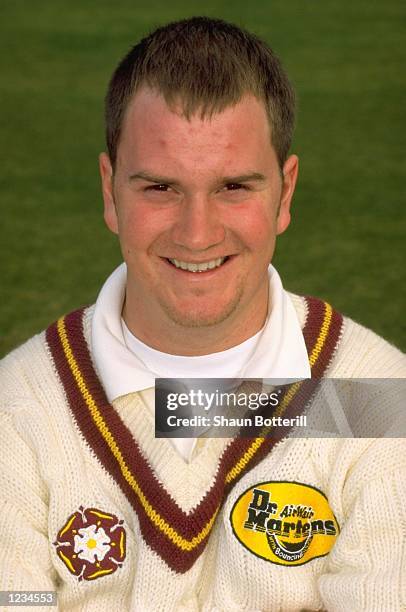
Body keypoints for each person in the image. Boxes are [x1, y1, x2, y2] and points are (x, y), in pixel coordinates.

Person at [0, 16, 405, 612]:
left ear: (285, 194)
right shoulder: (18, 408)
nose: (197, 234)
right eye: (160, 188)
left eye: (234, 187)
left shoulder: (377, 400)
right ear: (110, 192)